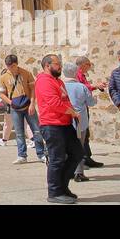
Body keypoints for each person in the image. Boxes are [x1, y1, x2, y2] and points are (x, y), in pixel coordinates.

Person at [36, 53, 83, 204]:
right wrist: (73, 112)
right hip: (51, 125)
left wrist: (73, 113)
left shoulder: (59, 82)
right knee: (56, 159)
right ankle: (54, 192)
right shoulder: (43, 81)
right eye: (57, 64)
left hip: (65, 124)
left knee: (77, 153)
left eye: (60, 64)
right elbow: (54, 103)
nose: (60, 67)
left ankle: (63, 187)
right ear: (47, 65)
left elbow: (65, 101)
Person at [0, 54, 45, 164]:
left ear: (16, 64)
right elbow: (1, 93)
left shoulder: (26, 73)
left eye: (13, 66)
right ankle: (22, 155)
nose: (10, 68)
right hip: (15, 108)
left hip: (28, 105)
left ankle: (41, 154)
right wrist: (11, 103)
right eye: (8, 66)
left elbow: (33, 89)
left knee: (37, 130)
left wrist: (32, 104)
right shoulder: (3, 77)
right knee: (19, 133)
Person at [64, 72, 98, 183]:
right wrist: (95, 99)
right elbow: (90, 102)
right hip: (80, 121)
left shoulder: (61, 86)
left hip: (66, 120)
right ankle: (78, 172)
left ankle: (68, 171)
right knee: (79, 146)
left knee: (67, 147)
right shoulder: (81, 87)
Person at [72, 56, 106, 169]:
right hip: (79, 109)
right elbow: (81, 87)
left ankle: (86, 157)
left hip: (82, 107)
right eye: (88, 64)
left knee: (85, 133)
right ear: (82, 65)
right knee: (82, 133)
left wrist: (95, 87)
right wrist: (94, 86)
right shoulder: (77, 75)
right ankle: (84, 159)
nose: (90, 66)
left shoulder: (81, 75)